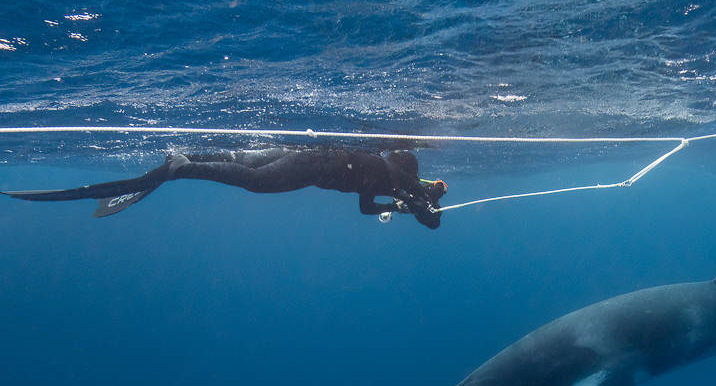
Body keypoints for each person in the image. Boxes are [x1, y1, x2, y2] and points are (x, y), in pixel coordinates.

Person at [2, 147, 449, 229]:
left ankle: (195, 160)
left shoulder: (388, 170)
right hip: (312, 166)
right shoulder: (394, 175)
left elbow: (371, 208)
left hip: (311, 160)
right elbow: (372, 208)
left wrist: (407, 204)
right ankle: (183, 166)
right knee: (255, 184)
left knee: (245, 164)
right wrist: (414, 205)